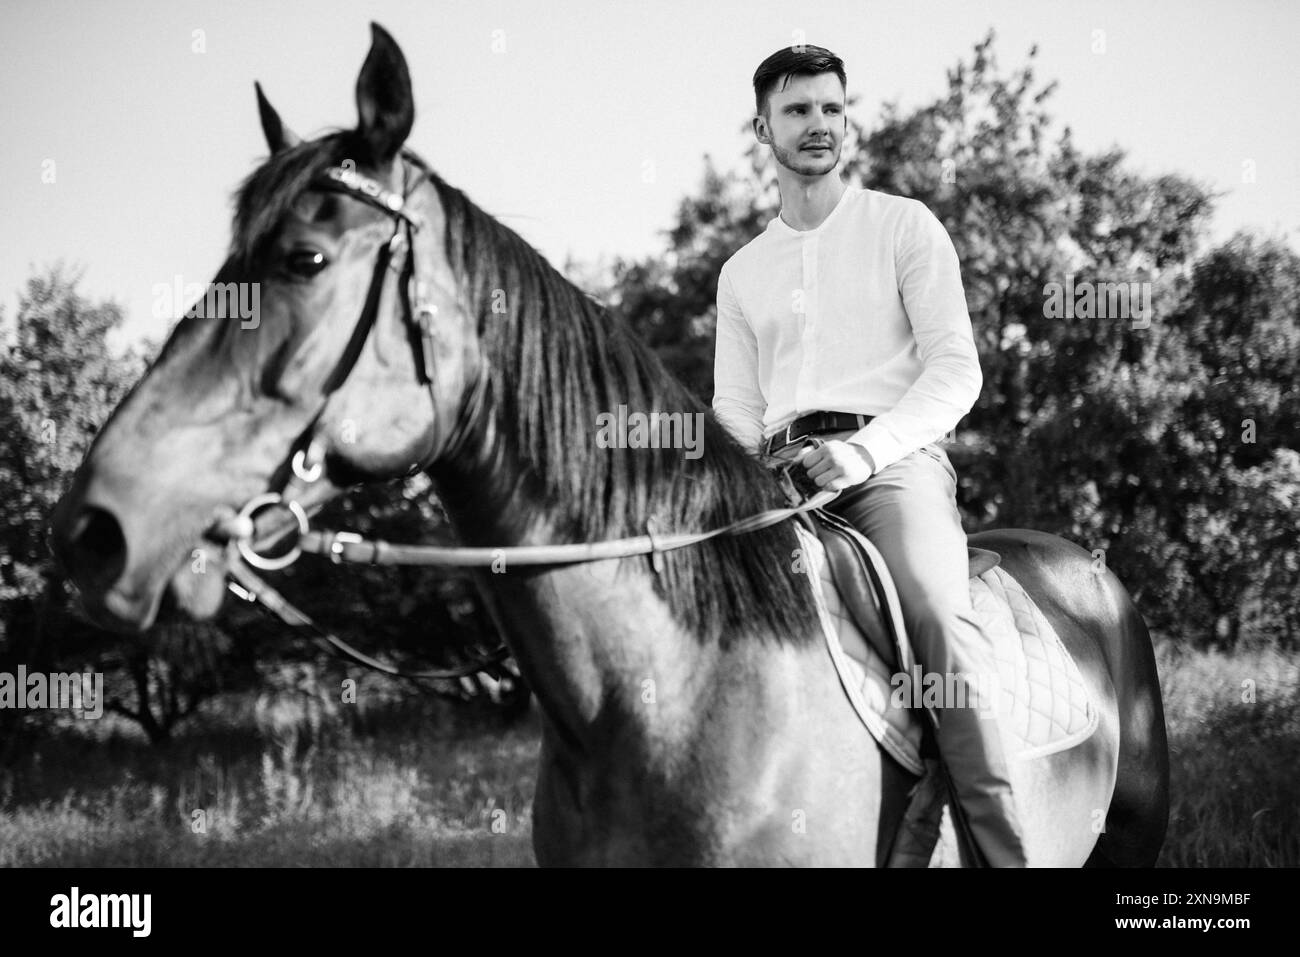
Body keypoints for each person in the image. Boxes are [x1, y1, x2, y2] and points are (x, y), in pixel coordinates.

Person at [711, 44, 1028, 867]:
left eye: (831, 108)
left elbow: (957, 369)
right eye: (797, 110)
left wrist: (863, 452)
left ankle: (1002, 856)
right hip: (776, 480)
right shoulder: (741, 272)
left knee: (933, 611)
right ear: (762, 129)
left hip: (892, 464)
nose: (819, 124)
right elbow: (737, 412)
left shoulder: (904, 225)